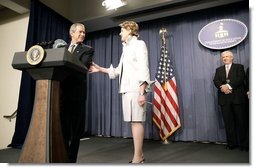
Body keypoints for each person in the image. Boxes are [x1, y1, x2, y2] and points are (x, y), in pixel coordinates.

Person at [89, 21, 151, 163]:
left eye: (122, 30)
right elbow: (117, 71)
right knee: (133, 123)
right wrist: (100, 69)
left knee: (136, 122)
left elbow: (144, 68)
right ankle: (139, 156)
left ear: (129, 30)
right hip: (127, 90)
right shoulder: (126, 49)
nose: (120, 33)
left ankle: (137, 158)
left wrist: (142, 92)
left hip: (136, 89)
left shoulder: (139, 44)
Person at [60, 23, 94, 162]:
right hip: (61, 95)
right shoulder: (61, 49)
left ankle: (71, 161)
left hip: (76, 95)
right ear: (72, 33)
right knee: (63, 129)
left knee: (75, 132)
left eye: (84, 32)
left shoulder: (87, 49)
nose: (82, 34)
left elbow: (82, 66)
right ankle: (62, 158)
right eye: (80, 32)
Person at [213, 50, 248, 151]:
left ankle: (244, 145)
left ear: (232, 57)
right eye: (223, 57)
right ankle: (231, 143)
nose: (225, 58)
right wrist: (222, 87)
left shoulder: (239, 67)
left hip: (237, 99)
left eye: (227, 56)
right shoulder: (218, 70)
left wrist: (228, 86)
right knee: (229, 123)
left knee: (242, 122)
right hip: (225, 100)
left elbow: (240, 79)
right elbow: (216, 81)